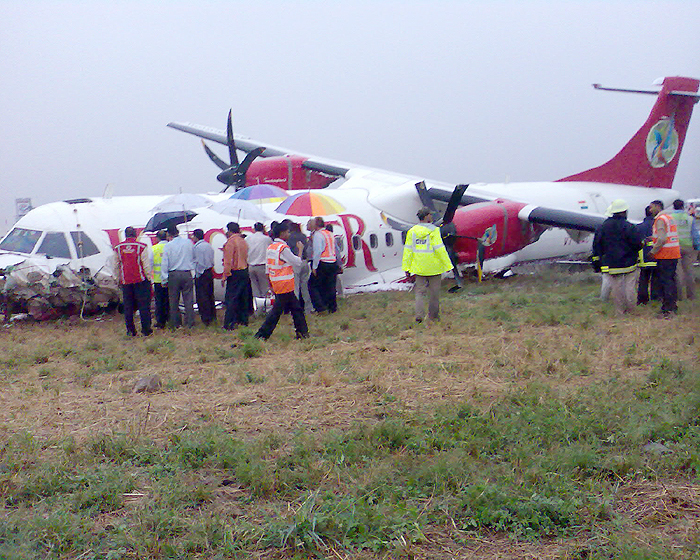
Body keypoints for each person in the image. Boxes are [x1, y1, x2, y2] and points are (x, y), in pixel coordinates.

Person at [255, 222, 309, 340]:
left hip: (277, 283)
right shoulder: (283, 248)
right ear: (283, 233)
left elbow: (268, 268)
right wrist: (300, 250)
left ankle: (302, 332)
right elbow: (297, 262)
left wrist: (270, 283)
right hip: (285, 284)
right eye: (288, 232)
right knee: (278, 312)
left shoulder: (271, 248)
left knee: (295, 309)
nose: (289, 234)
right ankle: (262, 334)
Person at [402, 207, 454, 322]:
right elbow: (440, 249)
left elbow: (408, 251)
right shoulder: (434, 231)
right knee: (434, 293)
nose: (432, 216)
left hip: (419, 268)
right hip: (434, 267)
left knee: (419, 292)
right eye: (430, 214)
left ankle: (419, 315)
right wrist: (448, 265)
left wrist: (406, 267)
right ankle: (433, 316)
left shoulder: (412, 231)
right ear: (426, 216)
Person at [591, 199, 642, 315]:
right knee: (629, 287)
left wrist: (600, 261)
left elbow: (598, 245)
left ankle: (620, 312)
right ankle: (631, 310)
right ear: (624, 211)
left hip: (612, 263)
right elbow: (637, 244)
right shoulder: (629, 226)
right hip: (629, 263)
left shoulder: (603, 227)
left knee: (617, 288)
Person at [114, 226, 153, 337]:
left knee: (128, 307)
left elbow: (116, 265)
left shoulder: (118, 248)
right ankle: (146, 330)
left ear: (125, 235)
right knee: (144, 306)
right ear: (135, 235)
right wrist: (149, 278)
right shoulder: (141, 247)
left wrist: (118, 279)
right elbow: (146, 265)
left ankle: (130, 330)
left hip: (126, 281)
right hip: (140, 280)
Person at [649, 200, 680, 316]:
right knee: (671, 280)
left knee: (665, 281)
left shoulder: (660, 219)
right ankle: (672, 306)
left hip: (665, 254)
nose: (650, 210)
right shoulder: (669, 217)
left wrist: (653, 251)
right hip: (673, 253)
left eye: (651, 207)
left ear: (658, 207)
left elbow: (662, 239)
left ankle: (668, 308)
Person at [161, 224, 195, 329]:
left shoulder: (168, 246)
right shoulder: (188, 242)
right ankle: (190, 322)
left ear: (169, 234)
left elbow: (165, 263)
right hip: (186, 273)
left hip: (173, 274)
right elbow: (193, 257)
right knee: (188, 299)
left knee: (174, 301)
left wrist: (164, 279)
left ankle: (176, 323)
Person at [221, 222, 252, 329]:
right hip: (244, 270)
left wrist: (225, 275)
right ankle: (243, 321)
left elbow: (228, 261)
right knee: (243, 297)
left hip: (235, 272)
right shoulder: (243, 241)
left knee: (231, 298)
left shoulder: (230, 242)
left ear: (229, 230)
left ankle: (229, 323)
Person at [311, 217, 340, 313]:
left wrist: (314, 266)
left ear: (316, 225)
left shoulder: (318, 235)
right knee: (331, 286)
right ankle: (332, 307)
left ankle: (321, 306)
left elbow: (318, 251)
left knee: (314, 285)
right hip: (332, 261)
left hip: (323, 262)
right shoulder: (329, 233)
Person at [669, 199, 697, 300]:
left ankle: (679, 296)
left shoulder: (670, 218)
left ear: (673, 207)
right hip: (687, 246)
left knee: (678, 272)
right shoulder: (690, 219)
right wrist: (696, 246)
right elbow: (694, 234)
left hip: (674, 246)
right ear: (683, 207)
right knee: (689, 271)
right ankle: (691, 295)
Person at [192, 228, 217, 326]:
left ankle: (206, 318)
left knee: (202, 297)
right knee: (210, 295)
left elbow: (199, 262)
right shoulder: (208, 245)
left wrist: (198, 274)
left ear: (196, 237)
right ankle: (212, 315)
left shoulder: (197, 248)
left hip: (202, 273)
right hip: (209, 271)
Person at [635, 205, 659, 305]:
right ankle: (655, 298)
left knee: (643, 279)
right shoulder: (658, 225)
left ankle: (642, 300)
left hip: (643, 257)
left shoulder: (638, 227)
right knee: (656, 278)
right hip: (657, 256)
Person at [246, 222, 272, 298]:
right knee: (265, 288)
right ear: (263, 229)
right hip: (262, 266)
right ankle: (265, 303)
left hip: (251, 266)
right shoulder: (267, 239)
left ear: (254, 229)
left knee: (254, 289)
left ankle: (257, 304)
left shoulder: (247, 238)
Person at [151, 229, 169, 329]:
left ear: (157, 238)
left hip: (158, 279)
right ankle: (170, 319)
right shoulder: (170, 247)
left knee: (159, 302)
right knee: (170, 300)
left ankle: (160, 322)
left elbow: (150, 264)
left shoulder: (154, 249)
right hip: (170, 279)